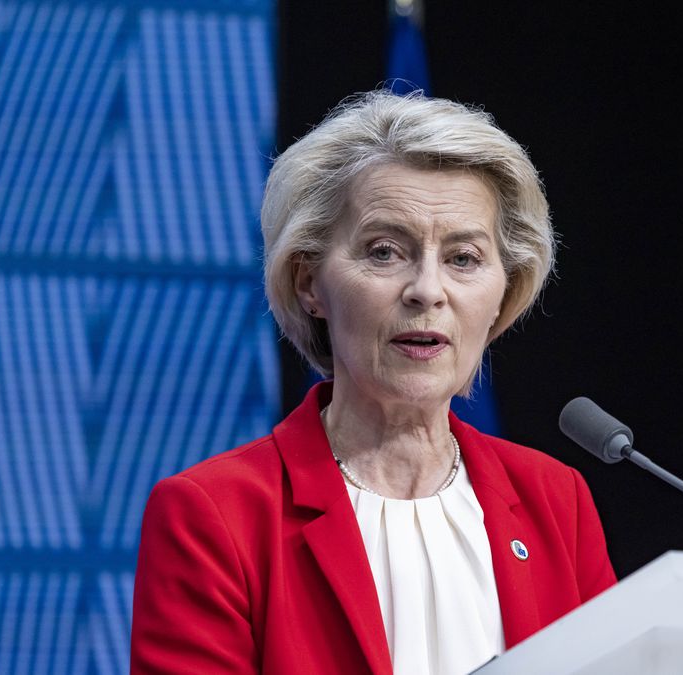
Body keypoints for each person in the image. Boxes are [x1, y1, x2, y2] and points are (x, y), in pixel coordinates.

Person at [130, 90, 616, 675]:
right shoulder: (216, 515)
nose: (427, 290)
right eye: (384, 252)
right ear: (310, 282)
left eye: (464, 258)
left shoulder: (555, 500)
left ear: (502, 293)